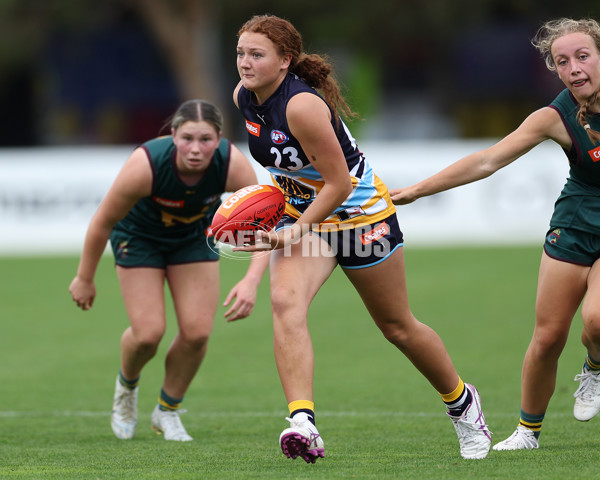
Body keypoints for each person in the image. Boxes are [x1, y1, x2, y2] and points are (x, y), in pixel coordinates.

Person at [233, 14, 491, 462]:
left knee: (397, 327)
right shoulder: (244, 97)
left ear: (284, 62)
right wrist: (269, 212)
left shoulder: (301, 105)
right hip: (308, 218)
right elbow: (281, 168)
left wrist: (292, 230)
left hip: (359, 217)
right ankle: (302, 422)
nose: (245, 62)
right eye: (240, 52)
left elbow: (339, 186)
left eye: (257, 54)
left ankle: (463, 403)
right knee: (285, 303)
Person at [391, 18, 600, 451]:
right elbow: (488, 161)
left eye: (583, 56)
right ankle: (527, 433)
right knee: (546, 338)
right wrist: (417, 189)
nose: (574, 67)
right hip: (576, 223)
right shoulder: (554, 115)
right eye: (563, 61)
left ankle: (595, 368)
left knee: (596, 320)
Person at [69, 99, 270, 441]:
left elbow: (262, 227)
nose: (195, 149)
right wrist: (84, 278)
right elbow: (102, 222)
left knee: (197, 333)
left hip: (191, 239)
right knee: (148, 334)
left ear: (219, 138)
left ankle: (167, 410)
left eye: (205, 139)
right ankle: (126, 389)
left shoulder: (232, 165)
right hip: (139, 238)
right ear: (173, 135)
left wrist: (251, 281)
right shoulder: (146, 165)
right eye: (187, 138)